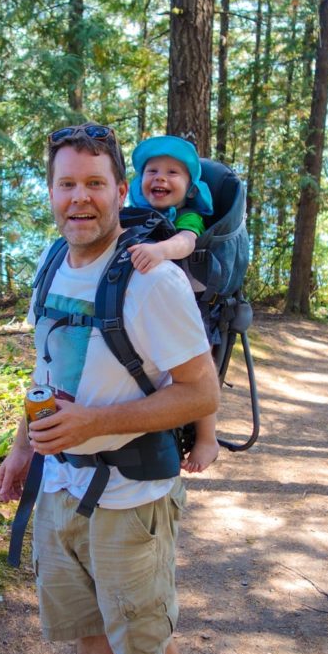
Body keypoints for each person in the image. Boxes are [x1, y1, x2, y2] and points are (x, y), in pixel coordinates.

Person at [0, 122, 219, 654]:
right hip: (59, 488)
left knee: (143, 648)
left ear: (122, 192)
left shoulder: (154, 282)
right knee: (90, 630)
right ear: (50, 193)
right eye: (66, 184)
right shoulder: (51, 265)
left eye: (95, 183)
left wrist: (94, 423)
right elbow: (45, 370)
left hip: (131, 498)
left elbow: (201, 393)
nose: (79, 198)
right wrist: (23, 448)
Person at [126, 135, 220, 473]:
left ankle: (207, 438)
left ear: (190, 186)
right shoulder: (132, 215)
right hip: (144, 305)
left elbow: (185, 243)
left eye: (172, 173)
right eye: (151, 171)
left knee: (199, 365)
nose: (160, 178)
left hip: (188, 305)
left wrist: (160, 250)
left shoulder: (188, 216)